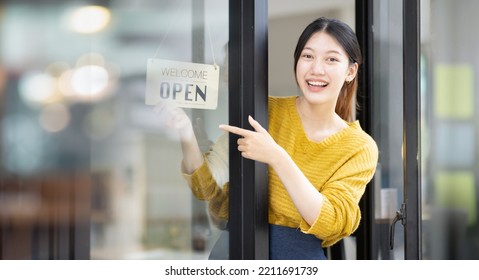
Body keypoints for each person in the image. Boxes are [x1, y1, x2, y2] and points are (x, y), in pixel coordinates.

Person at [156, 17, 378, 260]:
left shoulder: (359, 147)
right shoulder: (263, 111)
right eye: (308, 56)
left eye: (331, 59)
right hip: (235, 254)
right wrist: (186, 134)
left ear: (350, 71)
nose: (316, 69)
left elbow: (330, 222)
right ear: (296, 62)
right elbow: (207, 188)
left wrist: (277, 157)